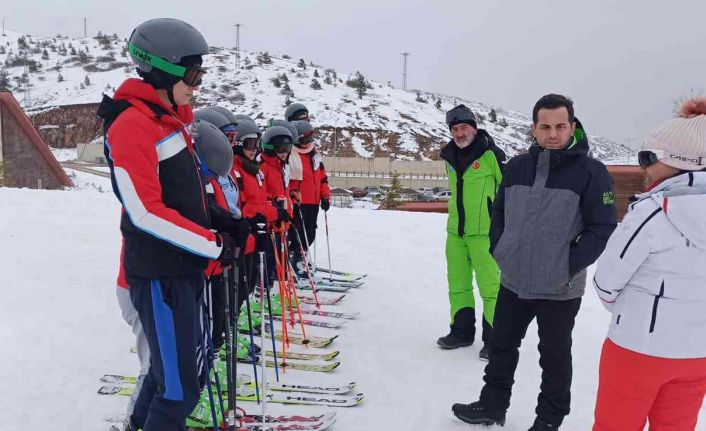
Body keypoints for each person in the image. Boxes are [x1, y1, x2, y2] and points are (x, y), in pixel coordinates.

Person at [98, 18, 237, 431]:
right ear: (164, 69)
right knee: (179, 392)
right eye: (192, 74)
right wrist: (213, 243)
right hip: (159, 276)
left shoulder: (170, 121)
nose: (197, 84)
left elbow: (185, 196)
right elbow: (145, 212)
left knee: (167, 379)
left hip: (183, 268)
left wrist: (223, 223)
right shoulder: (131, 126)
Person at [452, 94, 617, 430]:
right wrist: (501, 249)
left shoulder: (591, 172)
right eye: (545, 126)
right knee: (501, 346)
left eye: (560, 126)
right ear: (534, 128)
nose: (552, 134)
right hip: (514, 280)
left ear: (572, 126)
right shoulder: (517, 167)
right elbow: (498, 212)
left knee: (554, 356)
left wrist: (567, 265)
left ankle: (549, 419)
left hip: (560, 287)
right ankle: (492, 406)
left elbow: (602, 228)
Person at [592, 98, 706, 431]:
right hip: (698, 355)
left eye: (648, 158)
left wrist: (633, 310)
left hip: (637, 349)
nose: (643, 167)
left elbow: (606, 283)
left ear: (679, 162)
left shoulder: (652, 211)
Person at [437, 104, 505, 360]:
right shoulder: (449, 157)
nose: (459, 133)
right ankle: (461, 332)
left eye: (463, 127)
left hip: (484, 233)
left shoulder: (492, 155)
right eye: (454, 129)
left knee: (491, 288)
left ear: (474, 128)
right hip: (456, 233)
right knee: (458, 284)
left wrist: (503, 225)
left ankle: (494, 339)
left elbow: (507, 191)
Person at [288, 117, 330, 276]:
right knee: (297, 232)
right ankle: (295, 257)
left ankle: (300, 255)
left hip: (313, 201)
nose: (308, 142)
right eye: (305, 139)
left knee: (310, 232)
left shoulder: (314, 155)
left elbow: (322, 177)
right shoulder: (291, 155)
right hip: (299, 202)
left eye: (310, 138)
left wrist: (325, 196)